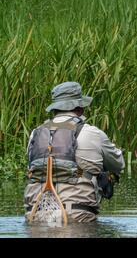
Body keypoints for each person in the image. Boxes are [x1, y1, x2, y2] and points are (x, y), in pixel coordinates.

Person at [24, 82, 125, 223]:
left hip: (35, 214)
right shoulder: (93, 133)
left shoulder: (35, 134)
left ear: (55, 109)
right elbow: (119, 165)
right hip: (78, 216)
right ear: (80, 108)